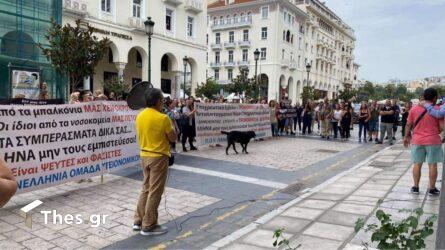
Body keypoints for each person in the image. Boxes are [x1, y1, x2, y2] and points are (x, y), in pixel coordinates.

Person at [134, 88, 177, 235]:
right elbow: (173, 138)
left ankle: (138, 220)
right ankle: (149, 225)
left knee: (145, 189)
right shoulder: (163, 118)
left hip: (144, 155)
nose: (163, 103)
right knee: (155, 192)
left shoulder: (140, 116)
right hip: (158, 157)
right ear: (158, 101)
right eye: (162, 100)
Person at [404, 88, 442, 196]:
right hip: (433, 140)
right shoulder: (437, 109)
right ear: (434, 98)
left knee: (417, 164)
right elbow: (441, 127)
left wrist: (406, 137)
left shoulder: (414, 109)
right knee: (433, 165)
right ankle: (432, 188)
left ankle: (415, 187)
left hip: (417, 140)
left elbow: (408, 125)